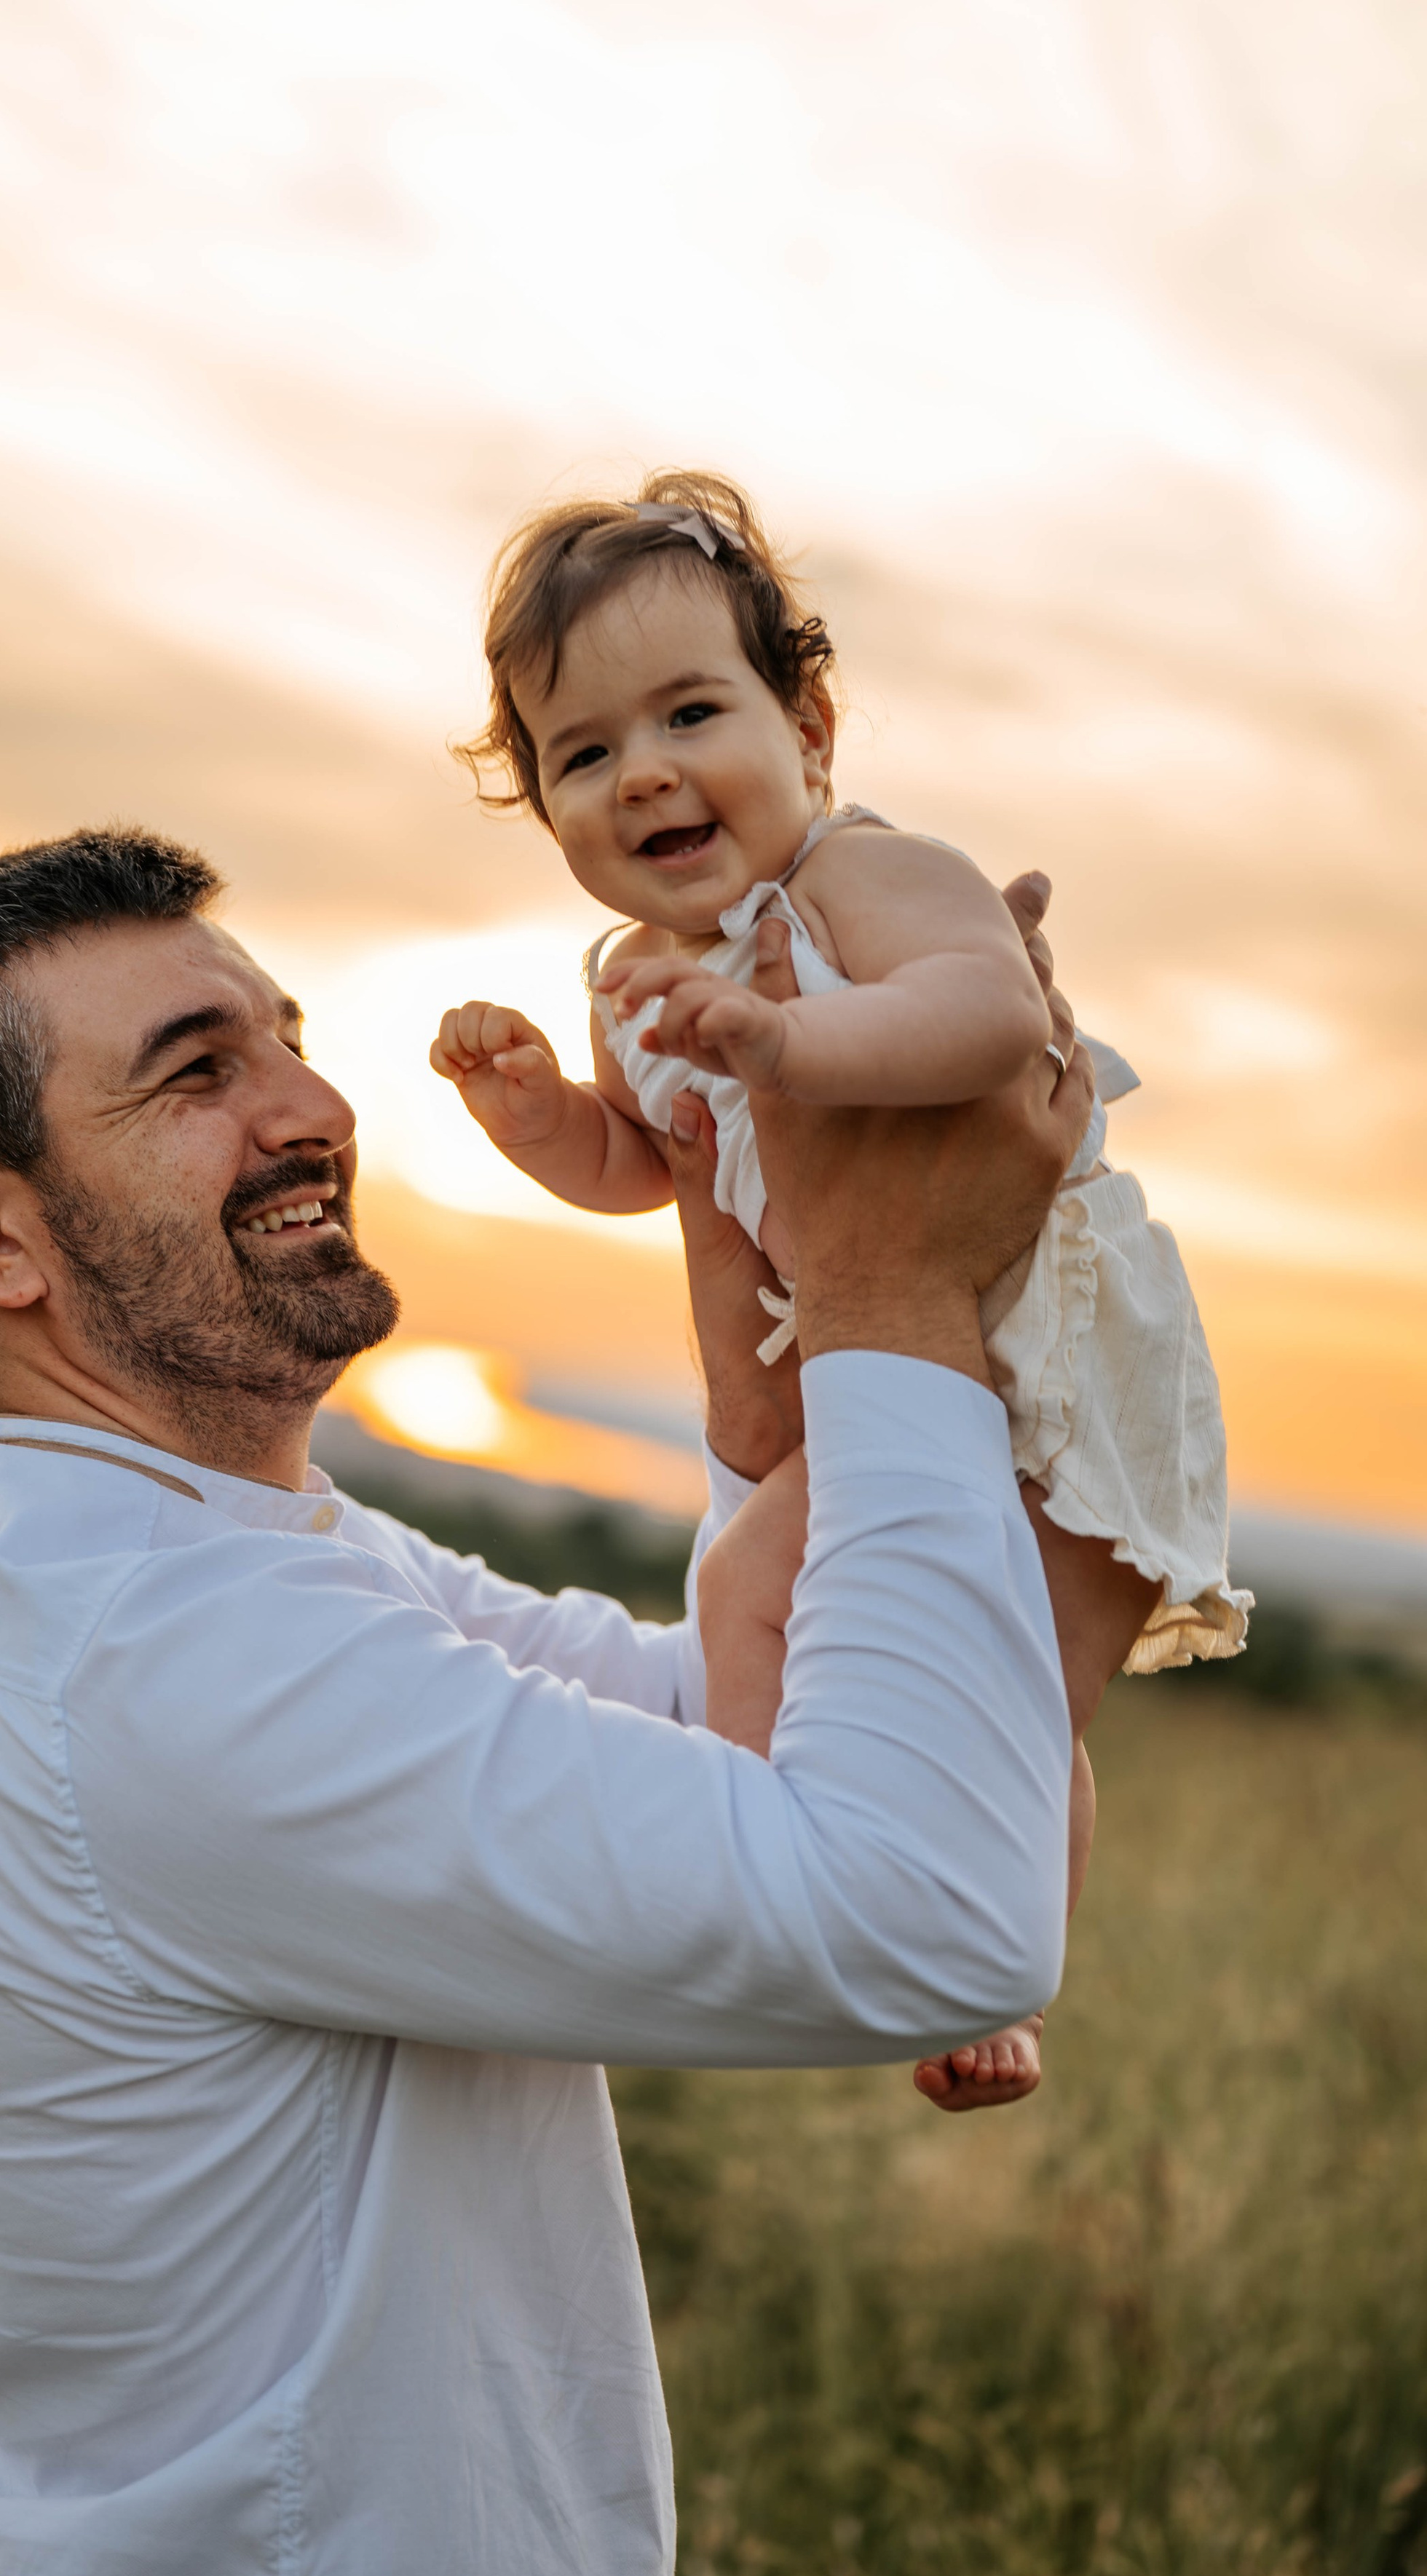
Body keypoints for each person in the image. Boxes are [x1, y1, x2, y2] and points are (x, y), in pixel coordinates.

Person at [0, 822, 1118, 2576]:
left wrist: (792, 1191)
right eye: (196, 1070)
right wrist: (880, 1291)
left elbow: (735, 1726)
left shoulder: (249, 1565)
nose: (309, 1105)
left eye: (285, 1036)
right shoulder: (165, 1655)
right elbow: (929, 1910)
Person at [432, 469, 1250, 2101]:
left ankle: (793, 1884)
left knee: (768, 1600)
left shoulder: (865, 884)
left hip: (1036, 1346)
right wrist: (537, 1116)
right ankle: (980, 1948)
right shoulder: (635, 982)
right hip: (901, 1352)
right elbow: (648, 1163)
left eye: (687, 713)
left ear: (806, 722)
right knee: (976, 1684)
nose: (642, 771)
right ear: (543, 806)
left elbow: (987, 1019)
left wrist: (794, 1038)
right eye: (581, 753)